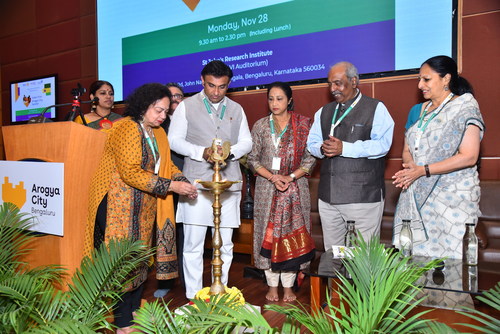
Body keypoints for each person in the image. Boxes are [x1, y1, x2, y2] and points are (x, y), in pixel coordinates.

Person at [83, 83, 198, 333]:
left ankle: (134, 310)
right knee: (123, 261)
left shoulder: (155, 132)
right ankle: (123, 323)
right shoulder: (126, 127)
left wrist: (183, 183)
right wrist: (172, 187)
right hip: (117, 203)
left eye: (166, 112)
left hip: (143, 204)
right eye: (159, 110)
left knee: (140, 259)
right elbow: (131, 173)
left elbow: (166, 166)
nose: (162, 116)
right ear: (144, 105)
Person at [168, 60, 252, 299]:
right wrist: (200, 152)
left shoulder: (237, 109)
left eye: (222, 87)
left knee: (225, 243)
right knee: (193, 244)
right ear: (202, 81)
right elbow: (174, 140)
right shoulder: (186, 106)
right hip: (197, 184)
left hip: (228, 183)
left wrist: (229, 152)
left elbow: (247, 142)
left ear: (229, 85)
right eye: (211, 86)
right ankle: (194, 298)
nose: (216, 92)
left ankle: (221, 293)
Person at [392, 55, 484, 259]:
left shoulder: (465, 107)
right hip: (418, 196)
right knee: (415, 262)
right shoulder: (419, 111)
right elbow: (407, 149)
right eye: (419, 79)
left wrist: (422, 170)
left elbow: (469, 156)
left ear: (446, 79)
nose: (419, 85)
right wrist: (411, 167)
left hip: (453, 201)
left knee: (451, 265)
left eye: (426, 79)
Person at [307, 61, 394, 250]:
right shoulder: (323, 112)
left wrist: (344, 149)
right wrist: (322, 149)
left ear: (354, 81)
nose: (333, 89)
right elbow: (311, 143)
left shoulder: (376, 108)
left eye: (338, 83)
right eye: (330, 84)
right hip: (328, 199)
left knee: (364, 261)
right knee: (333, 257)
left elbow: (382, 145)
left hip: (362, 197)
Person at [247, 81, 316, 302]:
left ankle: (288, 287)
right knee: (267, 238)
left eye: (279, 99)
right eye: (271, 98)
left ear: (289, 100)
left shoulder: (304, 124)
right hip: (267, 190)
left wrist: (290, 176)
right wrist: (272, 177)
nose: (274, 103)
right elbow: (252, 159)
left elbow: (310, 158)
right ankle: (272, 286)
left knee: (291, 238)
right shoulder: (259, 126)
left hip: (296, 188)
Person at [155, 82, 186, 298]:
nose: (175, 99)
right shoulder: (156, 125)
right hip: (161, 187)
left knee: (185, 235)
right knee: (164, 234)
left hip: (186, 184)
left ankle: (186, 281)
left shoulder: (191, 122)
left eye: (179, 96)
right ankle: (165, 280)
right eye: (171, 96)